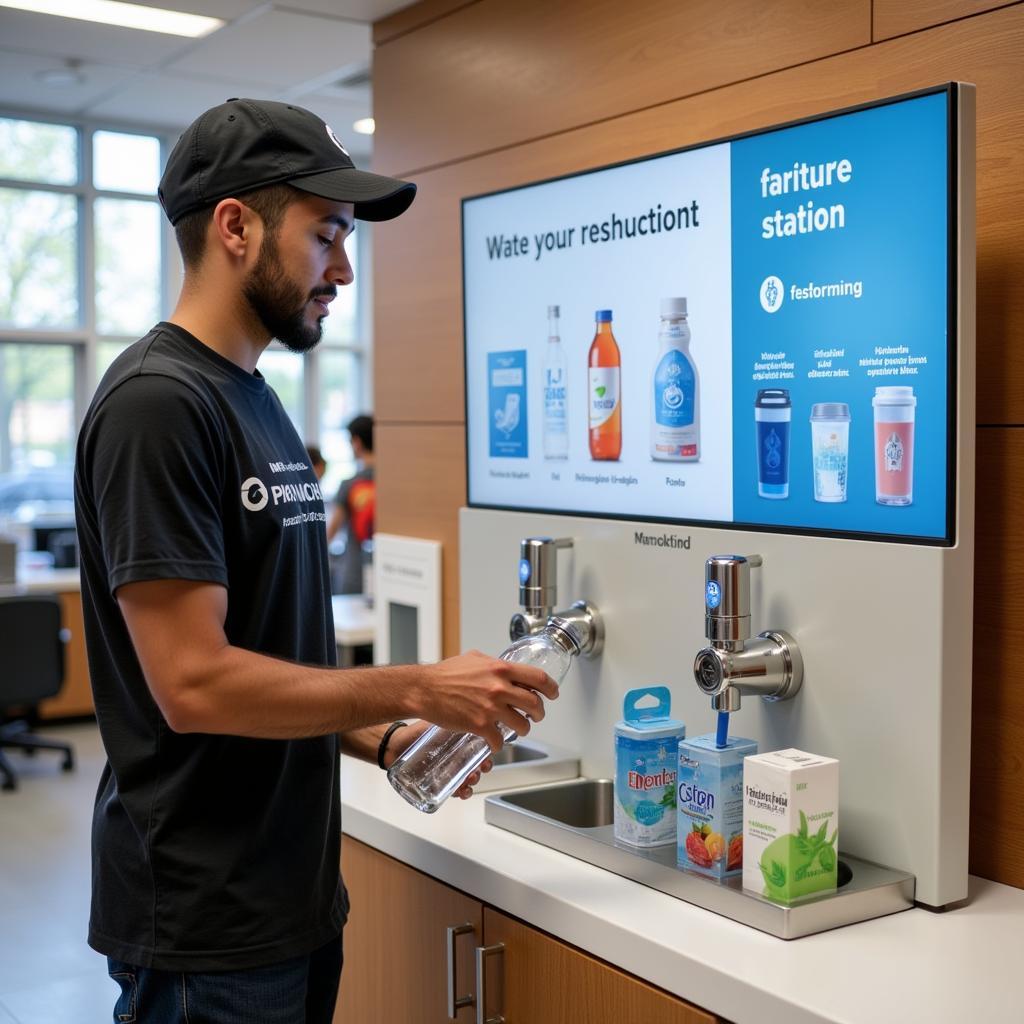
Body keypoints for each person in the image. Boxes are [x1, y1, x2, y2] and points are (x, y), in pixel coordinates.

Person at [73, 98, 558, 1024]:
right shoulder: (157, 406)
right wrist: (418, 688)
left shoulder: (254, 399)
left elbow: (270, 652)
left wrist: (380, 737)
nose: (343, 269)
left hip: (289, 898)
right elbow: (196, 686)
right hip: (204, 926)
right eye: (327, 234)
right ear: (236, 226)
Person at [326, 414, 374, 594]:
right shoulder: (390, 482)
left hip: (354, 573)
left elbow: (331, 532)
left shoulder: (349, 484)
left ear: (357, 442)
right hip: (387, 571)